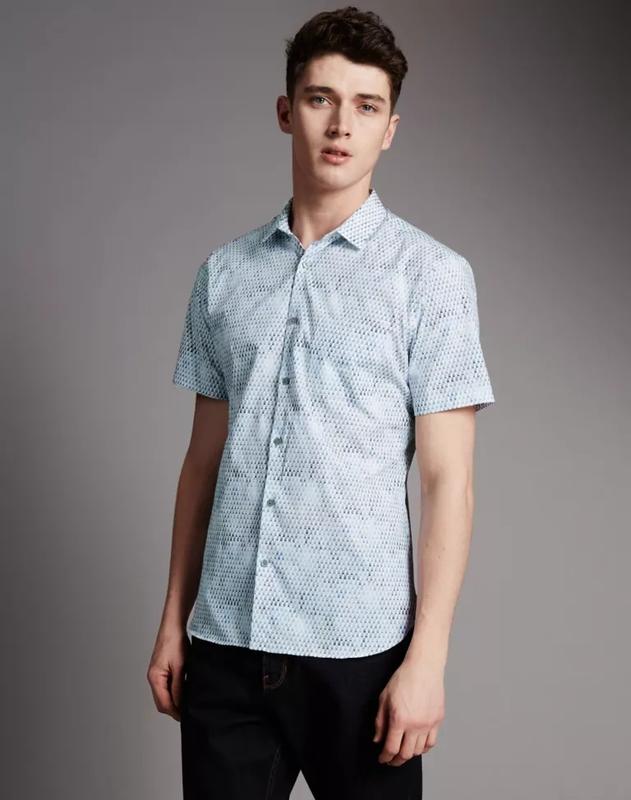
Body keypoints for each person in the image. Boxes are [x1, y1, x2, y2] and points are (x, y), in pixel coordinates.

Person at [147, 6, 495, 799]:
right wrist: (173, 620)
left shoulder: (431, 277)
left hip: (361, 657)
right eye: (320, 99)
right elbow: (203, 463)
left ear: (389, 129)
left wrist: (427, 661)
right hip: (225, 646)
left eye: (365, 107)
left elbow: (448, 482)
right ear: (285, 111)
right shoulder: (223, 275)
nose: (341, 125)